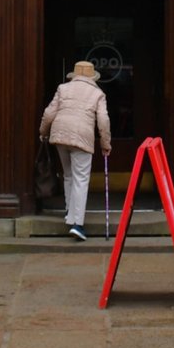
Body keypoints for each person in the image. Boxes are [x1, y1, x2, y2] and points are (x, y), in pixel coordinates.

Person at [39, 59, 111, 241]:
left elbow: (49, 113)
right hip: (82, 137)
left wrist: (43, 132)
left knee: (69, 175)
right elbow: (103, 120)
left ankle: (69, 213)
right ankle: (77, 224)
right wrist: (105, 143)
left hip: (60, 135)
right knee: (81, 179)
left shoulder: (63, 88)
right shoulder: (97, 93)